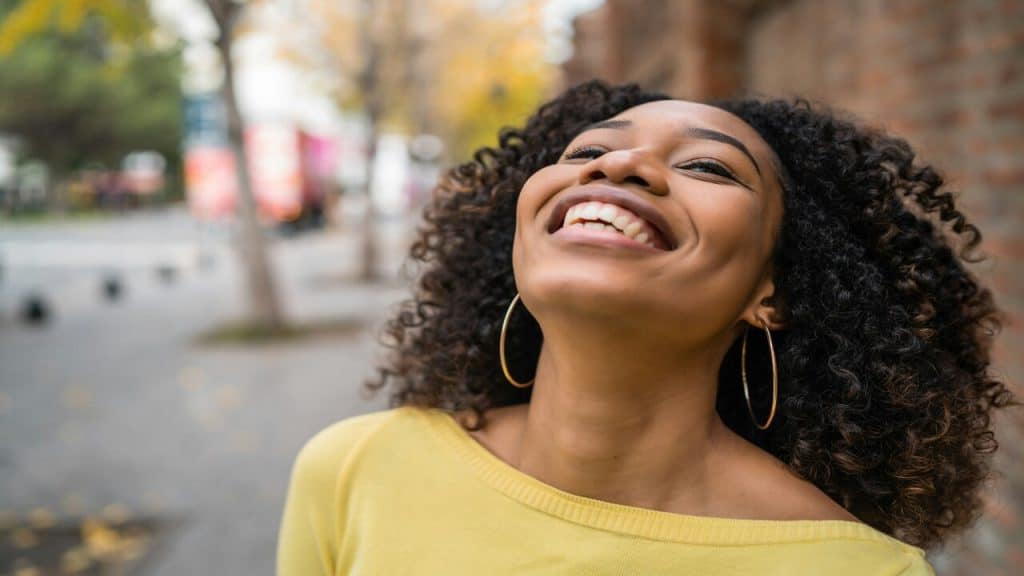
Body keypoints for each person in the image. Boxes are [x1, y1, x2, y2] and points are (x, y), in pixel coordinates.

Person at [276, 81, 1014, 575]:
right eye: (589, 153)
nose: (624, 164)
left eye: (710, 167)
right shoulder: (354, 470)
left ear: (773, 293)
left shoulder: (859, 570)